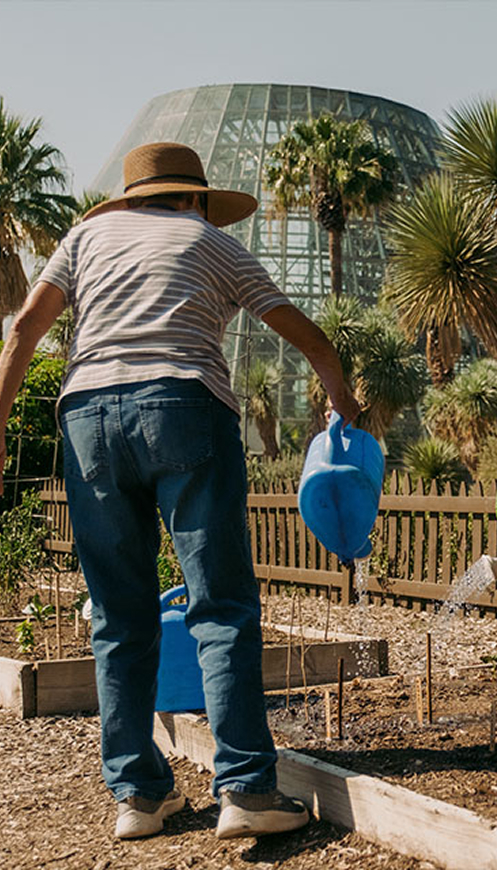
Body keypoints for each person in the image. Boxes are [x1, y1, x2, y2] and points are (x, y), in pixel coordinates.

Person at [0, 142, 361, 840]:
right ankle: (247, 788)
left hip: (86, 417)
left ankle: (137, 797)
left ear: (132, 198)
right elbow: (307, 337)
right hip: (183, 405)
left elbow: (24, 330)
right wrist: (340, 400)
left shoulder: (84, 239)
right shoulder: (211, 242)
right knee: (219, 604)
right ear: (195, 198)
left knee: (117, 612)